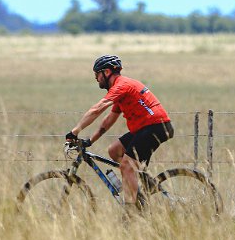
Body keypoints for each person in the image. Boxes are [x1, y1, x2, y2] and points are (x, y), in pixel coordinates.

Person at [66, 54, 174, 208]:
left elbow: (97, 109)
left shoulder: (121, 86)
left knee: (127, 166)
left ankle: (131, 212)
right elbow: (110, 119)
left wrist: (74, 131)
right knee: (114, 150)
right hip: (146, 127)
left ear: (107, 72)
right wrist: (90, 140)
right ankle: (140, 189)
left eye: (97, 74)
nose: (96, 78)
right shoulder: (121, 90)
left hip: (155, 127)